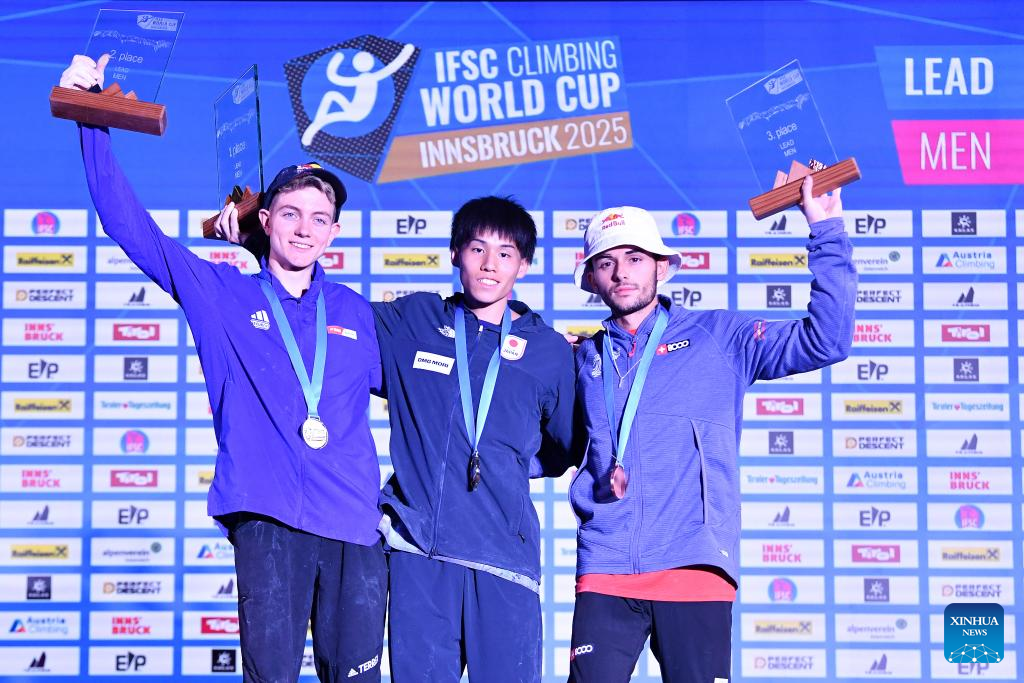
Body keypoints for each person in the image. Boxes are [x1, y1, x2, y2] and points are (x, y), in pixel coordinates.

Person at [61, 54, 387, 683]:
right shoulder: (221, 294)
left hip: (354, 527)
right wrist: (91, 120)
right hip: (268, 519)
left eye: (319, 219)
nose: (305, 229)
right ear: (265, 221)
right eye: (289, 214)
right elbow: (132, 229)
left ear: (334, 232)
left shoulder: (357, 313)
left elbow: (429, 384)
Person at [222, 195, 578, 682]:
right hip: (418, 560)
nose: (489, 264)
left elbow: (563, 446)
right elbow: (315, 314)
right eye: (477, 249)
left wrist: (511, 465)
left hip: (504, 561)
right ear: (454, 253)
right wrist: (262, 249)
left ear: (524, 265)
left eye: (505, 253)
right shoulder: (411, 321)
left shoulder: (548, 350)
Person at [567, 178, 855, 682]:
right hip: (606, 565)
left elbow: (826, 340)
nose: (622, 272)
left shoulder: (720, 336)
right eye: (607, 262)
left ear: (661, 266)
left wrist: (825, 230)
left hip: (693, 562)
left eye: (635, 258)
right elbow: (543, 447)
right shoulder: (581, 358)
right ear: (592, 277)